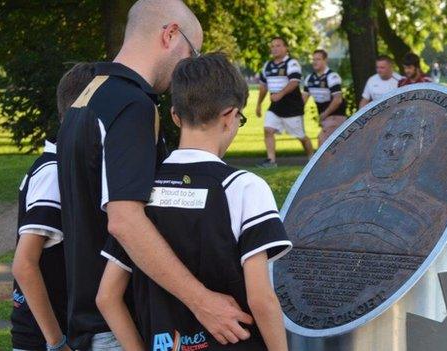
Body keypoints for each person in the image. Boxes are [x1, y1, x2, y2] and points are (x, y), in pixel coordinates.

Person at [57, 1, 253, 350]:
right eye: (192, 54)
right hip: (118, 327)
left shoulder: (88, 97)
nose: (189, 68)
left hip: (86, 320)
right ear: (170, 34)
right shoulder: (133, 106)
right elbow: (125, 221)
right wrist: (203, 301)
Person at [98, 53, 292, 351]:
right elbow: (261, 299)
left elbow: (107, 297)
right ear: (230, 115)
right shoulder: (244, 187)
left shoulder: (138, 194)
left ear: (175, 116)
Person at [11, 62, 96, 351]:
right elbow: (24, 264)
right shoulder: (53, 173)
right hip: (43, 337)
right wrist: (56, 342)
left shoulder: (60, 166)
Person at [256, 37, 314, 168]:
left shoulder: (292, 63)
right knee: (268, 129)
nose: (274, 48)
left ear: (285, 48)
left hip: (292, 108)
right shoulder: (268, 65)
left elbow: (294, 82)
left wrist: (280, 94)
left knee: (301, 137)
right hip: (275, 107)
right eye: (272, 46)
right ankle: (271, 161)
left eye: (278, 45)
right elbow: (263, 86)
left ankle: (313, 159)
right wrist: (259, 104)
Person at [303, 49, 347, 146]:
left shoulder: (332, 77)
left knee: (322, 141)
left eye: (318, 59)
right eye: (313, 59)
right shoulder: (309, 78)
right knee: (331, 146)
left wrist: (324, 114)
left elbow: (338, 100)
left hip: (335, 116)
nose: (315, 62)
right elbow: (303, 99)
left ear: (325, 60)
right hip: (325, 118)